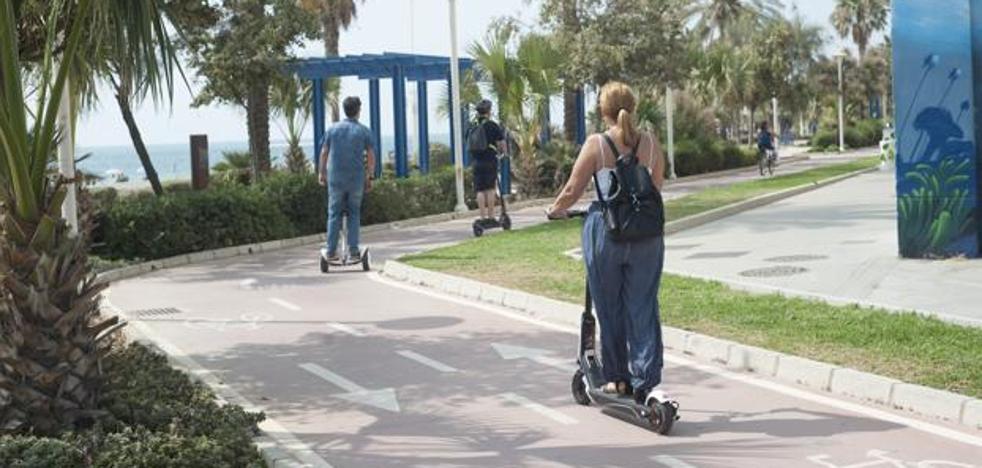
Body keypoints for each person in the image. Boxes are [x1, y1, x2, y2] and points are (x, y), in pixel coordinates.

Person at [546, 81, 668, 405]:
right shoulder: (652, 144)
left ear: (603, 111)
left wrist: (555, 209)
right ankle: (648, 381)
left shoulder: (597, 144)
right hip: (647, 235)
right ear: (634, 106)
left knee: (609, 307)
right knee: (643, 307)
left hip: (607, 232)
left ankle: (616, 379)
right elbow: (655, 188)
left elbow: (573, 189)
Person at [319, 96, 376, 263]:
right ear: (358, 110)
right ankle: (353, 251)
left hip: (335, 179)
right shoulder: (364, 131)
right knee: (354, 213)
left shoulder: (332, 130)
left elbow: (324, 152)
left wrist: (321, 173)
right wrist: (370, 176)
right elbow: (371, 155)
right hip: (355, 179)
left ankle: (330, 251)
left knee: (334, 213)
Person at [468, 99, 506, 224]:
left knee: (480, 190)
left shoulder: (472, 126)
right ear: (489, 111)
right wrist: (503, 154)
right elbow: (501, 143)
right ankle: (491, 216)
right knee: (490, 189)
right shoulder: (492, 125)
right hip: (490, 160)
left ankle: (482, 217)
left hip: (476, 161)